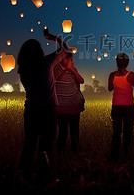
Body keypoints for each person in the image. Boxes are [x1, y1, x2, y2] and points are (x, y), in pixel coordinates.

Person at [17, 28, 69, 185]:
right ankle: (45, 178)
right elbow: (65, 49)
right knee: (46, 148)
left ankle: (23, 176)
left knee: (29, 145)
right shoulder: (46, 63)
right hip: (47, 112)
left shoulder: (23, 71)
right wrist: (52, 37)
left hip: (31, 112)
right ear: (38, 51)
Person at [108, 53, 134, 162]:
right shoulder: (132, 75)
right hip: (129, 107)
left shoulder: (112, 75)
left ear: (117, 62)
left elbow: (110, 88)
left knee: (116, 132)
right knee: (128, 132)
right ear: (127, 62)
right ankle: (127, 155)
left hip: (116, 106)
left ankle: (114, 157)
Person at [54, 52, 84, 156]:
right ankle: (60, 153)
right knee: (63, 132)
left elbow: (81, 80)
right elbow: (55, 79)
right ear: (63, 59)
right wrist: (66, 69)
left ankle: (75, 153)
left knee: (75, 132)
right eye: (70, 60)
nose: (72, 62)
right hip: (61, 108)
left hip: (74, 106)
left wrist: (72, 70)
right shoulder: (56, 68)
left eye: (72, 60)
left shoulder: (73, 70)